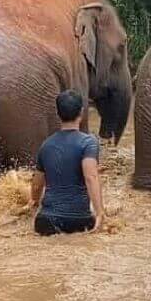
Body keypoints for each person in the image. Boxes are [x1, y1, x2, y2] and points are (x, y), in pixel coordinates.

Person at [30, 90, 105, 236]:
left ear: (57, 114)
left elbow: (37, 184)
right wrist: (100, 212)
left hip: (46, 221)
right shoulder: (88, 143)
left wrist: (32, 202)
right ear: (81, 113)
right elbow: (91, 177)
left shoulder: (46, 145)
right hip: (80, 221)